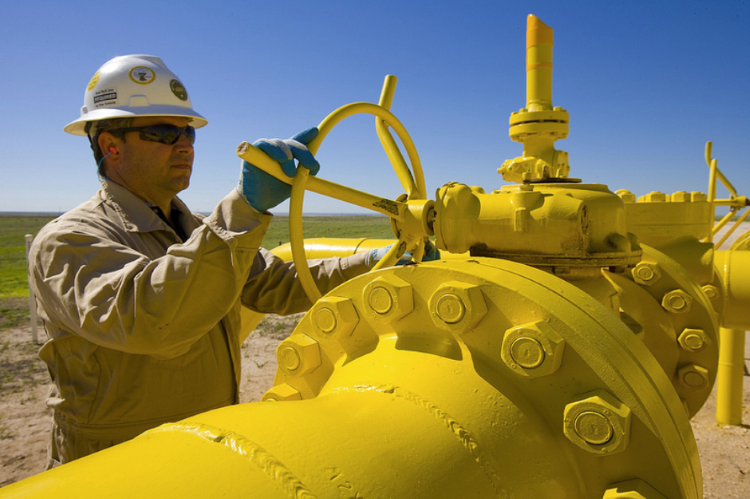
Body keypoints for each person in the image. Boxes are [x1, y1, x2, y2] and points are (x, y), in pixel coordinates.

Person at [28, 54, 433, 467]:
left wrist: (378, 262)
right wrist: (243, 209)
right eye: (162, 132)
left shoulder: (194, 229)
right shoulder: (68, 240)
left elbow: (275, 283)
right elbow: (148, 318)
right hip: (114, 466)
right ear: (110, 146)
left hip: (204, 447)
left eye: (188, 132)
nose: (184, 144)